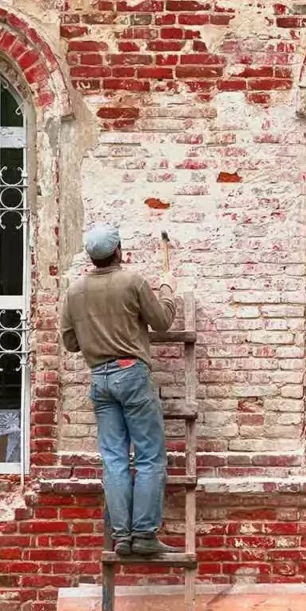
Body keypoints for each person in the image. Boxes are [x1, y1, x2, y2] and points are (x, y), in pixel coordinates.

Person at [60, 224, 179, 556]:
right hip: (132, 374)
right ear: (119, 251)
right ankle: (143, 535)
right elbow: (162, 322)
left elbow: (70, 342)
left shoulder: (74, 291)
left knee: (113, 460)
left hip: (100, 378)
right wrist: (168, 289)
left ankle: (121, 536)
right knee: (149, 456)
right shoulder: (133, 281)